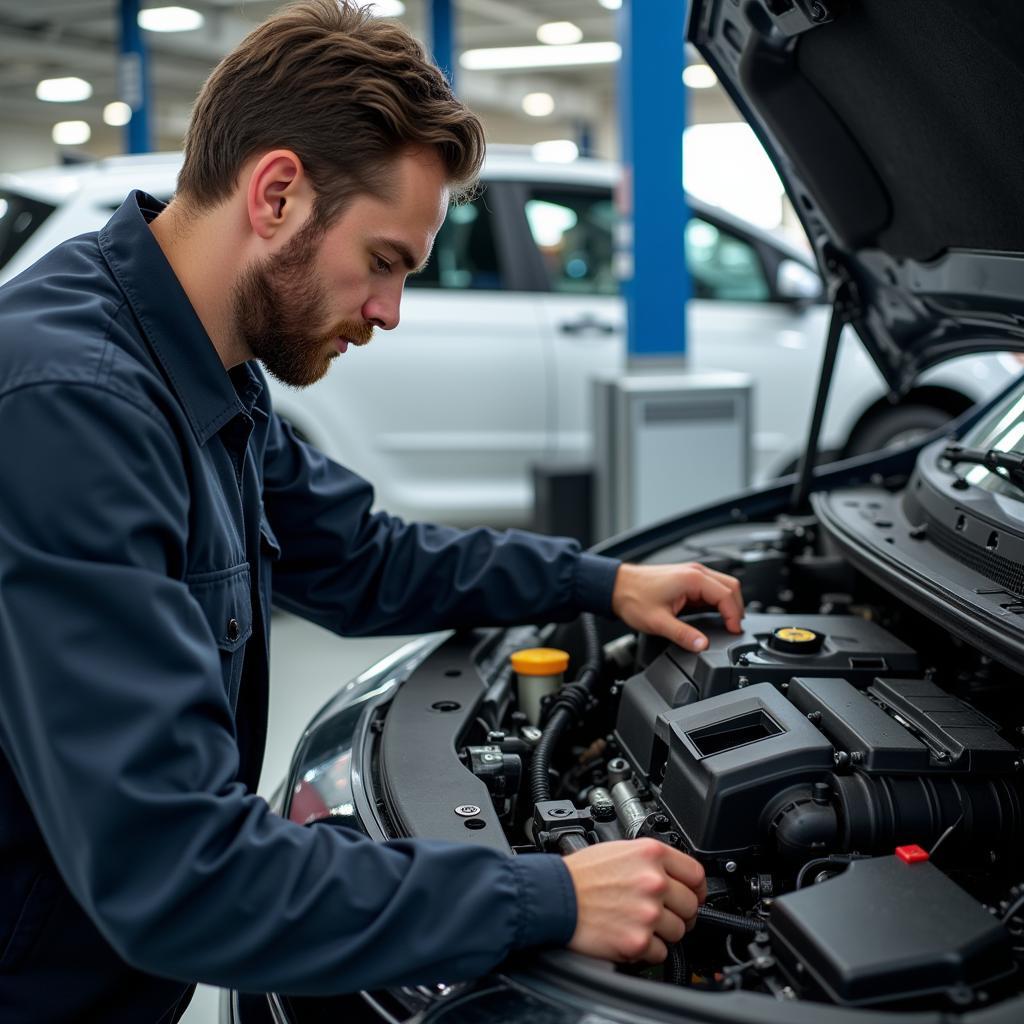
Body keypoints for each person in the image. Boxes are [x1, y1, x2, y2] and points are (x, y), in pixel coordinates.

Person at [0, 2, 744, 1020]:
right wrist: (546, 893)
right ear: (276, 195)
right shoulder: (72, 408)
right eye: (385, 261)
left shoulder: (202, 364)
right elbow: (174, 871)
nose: (389, 310)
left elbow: (358, 557)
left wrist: (599, 582)